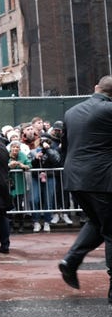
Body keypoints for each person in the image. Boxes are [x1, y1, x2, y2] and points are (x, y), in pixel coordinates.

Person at [58, 76, 112, 302]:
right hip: (101, 179)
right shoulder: (109, 110)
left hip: (75, 178)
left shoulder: (72, 112)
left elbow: (65, 148)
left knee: (97, 223)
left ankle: (71, 260)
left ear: (95, 88)